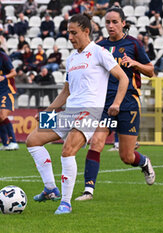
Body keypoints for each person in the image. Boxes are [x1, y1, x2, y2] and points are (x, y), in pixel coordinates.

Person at [25, 12, 129, 214]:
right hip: (69, 111)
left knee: (67, 150)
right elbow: (66, 91)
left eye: (73, 33)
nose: (70, 37)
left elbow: (123, 78)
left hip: (90, 112)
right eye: (68, 33)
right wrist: (47, 112)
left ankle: (66, 202)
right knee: (32, 140)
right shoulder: (72, 58)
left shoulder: (99, 52)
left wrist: (116, 103)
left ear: (86, 31)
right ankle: (50, 188)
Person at [75, 7, 155, 201]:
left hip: (128, 103)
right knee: (96, 142)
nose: (111, 26)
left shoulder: (133, 44)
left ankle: (144, 162)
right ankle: (88, 190)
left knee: (126, 156)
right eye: (108, 22)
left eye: (114, 22)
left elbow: (151, 70)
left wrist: (136, 64)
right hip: (104, 104)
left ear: (123, 23)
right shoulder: (100, 46)